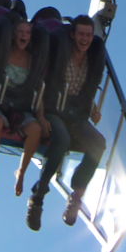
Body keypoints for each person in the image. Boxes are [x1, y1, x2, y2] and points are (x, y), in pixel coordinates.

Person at [27, 14, 106, 231]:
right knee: (61, 140)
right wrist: (41, 115)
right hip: (54, 109)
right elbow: (44, 85)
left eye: (88, 35)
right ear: (73, 35)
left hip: (76, 114)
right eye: (81, 34)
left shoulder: (91, 60)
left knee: (98, 143)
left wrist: (91, 107)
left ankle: (77, 195)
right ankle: (38, 196)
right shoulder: (60, 55)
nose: (85, 39)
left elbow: (87, 89)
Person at [0, 15, 47, 198]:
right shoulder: (3, 53)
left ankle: (21, 173)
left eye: (27, 32)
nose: (24, 36)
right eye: (20, 32)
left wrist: (40, 115)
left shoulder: (32, 60)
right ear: (13, 34)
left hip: (19, 106)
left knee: (34, 129)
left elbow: (38, 89)